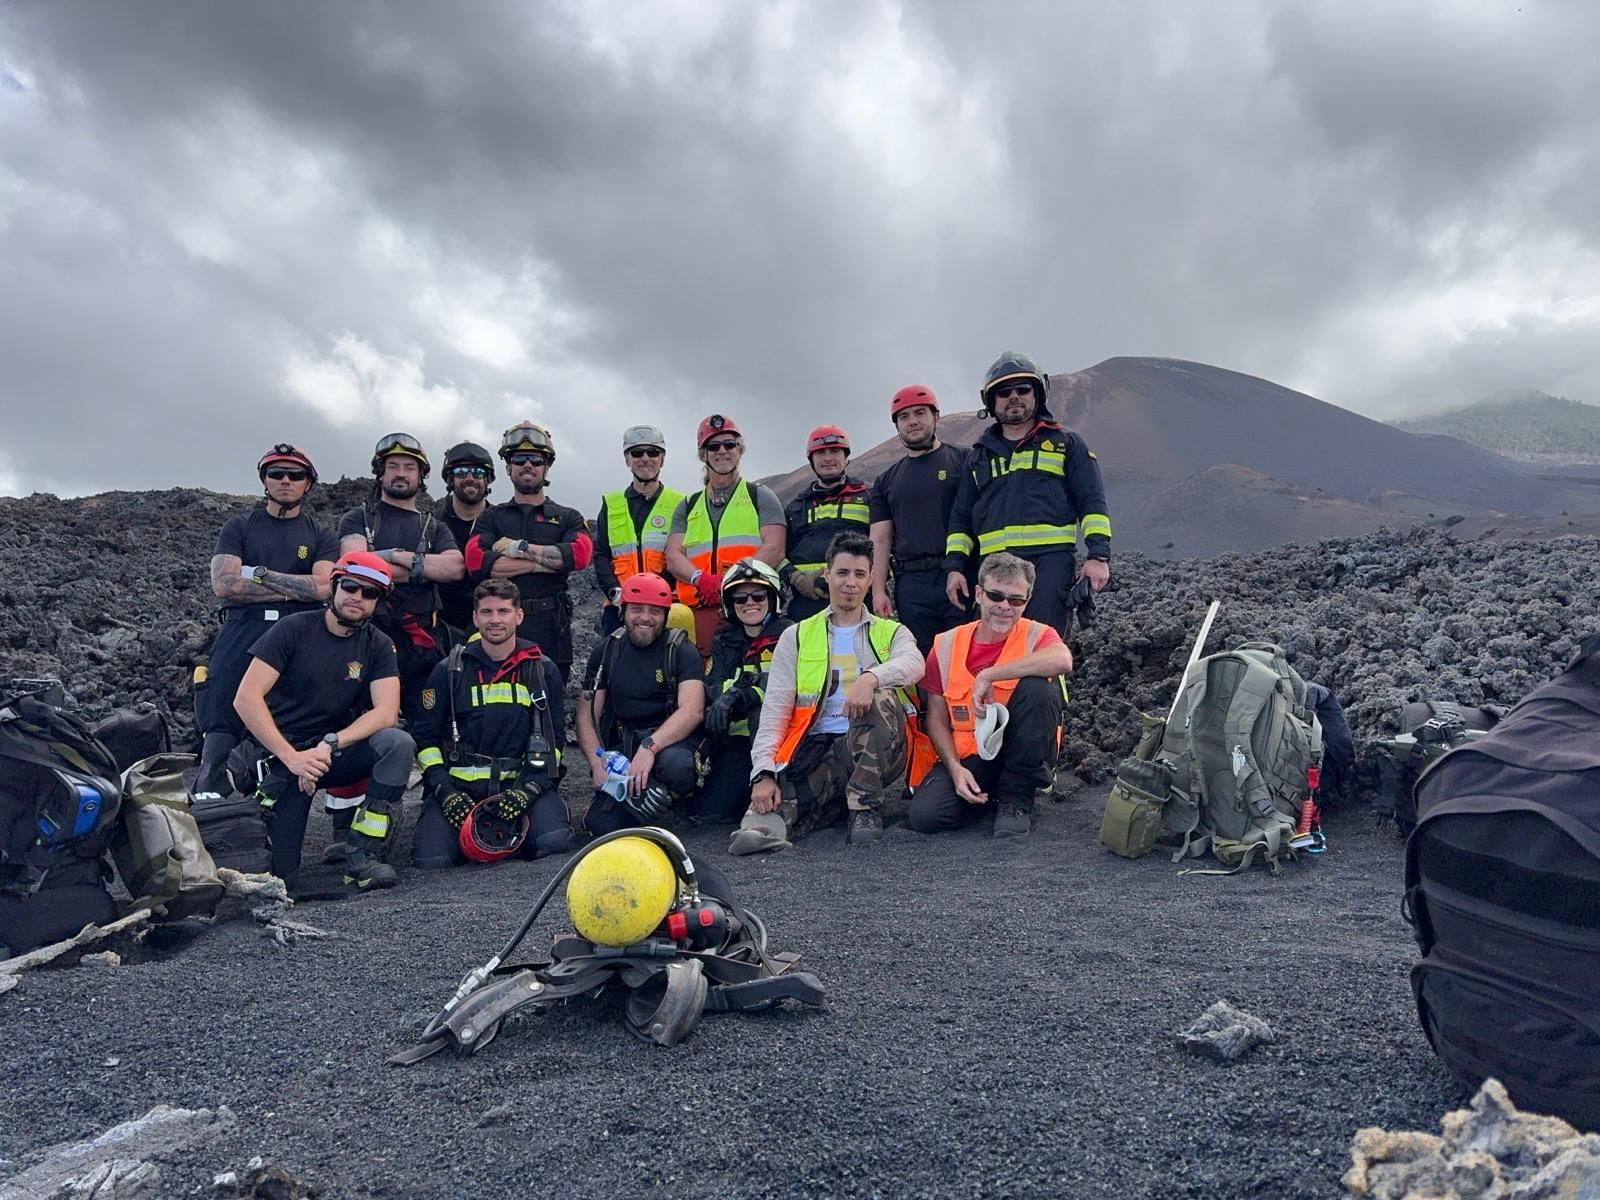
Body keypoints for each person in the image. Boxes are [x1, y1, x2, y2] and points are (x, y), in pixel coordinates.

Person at [232, 552, 416, 891]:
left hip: (327, 751)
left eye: (370, 593)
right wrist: (294, 758)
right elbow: (245, 698)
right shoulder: (292, 629)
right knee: (279, 878)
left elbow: (386, 712)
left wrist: (329, 744)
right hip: (279, 754)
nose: (357, 598)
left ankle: (363, 857)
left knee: (397, 743)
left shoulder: (378, 645)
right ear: (334, 585)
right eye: (350, 587)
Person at [729, 531, 922, 855]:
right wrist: (762, 773)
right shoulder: (797, 636)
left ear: (871, 577)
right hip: (818, 749)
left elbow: (914, 663)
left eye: (860, 574)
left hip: (879, 750)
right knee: (760, 826)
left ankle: (864, 809)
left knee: (876, 698)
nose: (850, 582)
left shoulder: (891, 631)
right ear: (827, 574)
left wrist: (870, 678)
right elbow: (775, 709)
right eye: (843, 572)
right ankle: (830, 804)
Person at [194, 444, 338, 798]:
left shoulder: (321, 534)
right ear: (264, 481)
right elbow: (224, 585)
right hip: (242, 627)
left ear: (308, 483)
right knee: (223, 709)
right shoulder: (239, 525)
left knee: (290, 712)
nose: (285, 481)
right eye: (277, 474)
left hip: (299, 632)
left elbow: (323, 588)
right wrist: (292, 586)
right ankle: (210, 794)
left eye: (295, 474)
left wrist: (257, 574)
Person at [943, 353, 1111, 637]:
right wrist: (955, 567)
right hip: (994, 567)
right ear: (991, 402)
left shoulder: (1066, 444)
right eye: (1004, 392)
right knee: (994, 650)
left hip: (1049, 565)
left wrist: (1098, 556)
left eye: (1023, 389)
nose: (1014, 397)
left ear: (1039, 393)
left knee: (1043, 645)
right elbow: (961, 519)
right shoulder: (977, 457)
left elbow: (1092, 503)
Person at [910, 552, 1073, 839]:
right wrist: (955, 770)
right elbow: (935, 717)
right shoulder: (946, 644)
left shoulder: (1038, 635)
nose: (1004, 607)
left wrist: (989, 675)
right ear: (978, 594)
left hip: (1022, 753)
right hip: (970, 757)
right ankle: (989, 797)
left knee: (1038, 688)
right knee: (926, 816)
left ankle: (1016, 801)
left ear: (1027, 601)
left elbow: (1063, 660)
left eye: (1015, 600)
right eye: (995, 596)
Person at [411, 579, 570, 868]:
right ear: (475, 617)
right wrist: (445, 792)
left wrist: (528, 790)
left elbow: (555, 744)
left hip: (519, 789)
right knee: (431, 859)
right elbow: (425, 741)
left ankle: (516, 834)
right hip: (459, 792)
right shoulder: (449, 671)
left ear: (518, 616)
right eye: (486, 612)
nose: (495, 620)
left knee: (553, 842)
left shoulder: (542, 669)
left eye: (503, 611)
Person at [337, 433, 465, 725]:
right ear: (380, 471)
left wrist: (391, 556)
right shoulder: (359, 519)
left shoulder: (433, 526)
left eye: (409, 468)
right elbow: (353, 565)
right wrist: (422, 568)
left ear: (421, 476)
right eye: (393, 466)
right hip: (366, 639)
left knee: (426, 724)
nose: (401, 474)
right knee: (363, 722)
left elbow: (455, 569)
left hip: (420, 645)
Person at [576, 573, 706, 836]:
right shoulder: (607, 651)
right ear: (623, 611)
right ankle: (644, 796)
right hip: (623, 747)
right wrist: (596, 763)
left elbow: (692, 711)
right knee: (600, 828)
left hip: (668, 743)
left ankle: (680, 802)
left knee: (677, 766)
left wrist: (650, 747)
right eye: (637, 609)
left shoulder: (680, 650)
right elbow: (586, 716)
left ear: (665, 615)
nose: (645, 618)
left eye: (655, 611)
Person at [464, 422, 591, 680]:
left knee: (549, 706)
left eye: (536, 459)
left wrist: (514, 548)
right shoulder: (491, 517)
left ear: (546, 466)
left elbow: (580, 554)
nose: (528, 465)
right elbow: (476, 561)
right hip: (499, 627)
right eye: (519, 459)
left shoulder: (567, 516)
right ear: (508, 466)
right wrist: (551, 560)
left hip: (552, 628)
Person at [664, 415, 786, 655]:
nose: (722, 451)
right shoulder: (687, 505)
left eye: (730, 444)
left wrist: (731, 580)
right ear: (703, 454)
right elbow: (673, 555)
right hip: (697, 613)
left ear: (740, 451)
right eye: (713, 446)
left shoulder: (760, 496)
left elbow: (775, 547)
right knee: (694, 679)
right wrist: (700, 578)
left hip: (747, 608)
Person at [869, 386, 971, 653]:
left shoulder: (965, 460)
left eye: (919, 413)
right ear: (897, 426)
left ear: (936, 417)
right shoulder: (886, 480)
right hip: (911, 583)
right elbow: (879, 539)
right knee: (921, 660)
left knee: (963, 654)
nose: (912, 421)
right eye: (903, 417)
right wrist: (878, 590)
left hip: (960, 573)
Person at [695, 558, 793, 824]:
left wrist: (745, 692)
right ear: (730, 605)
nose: (749, 602)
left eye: (758, 595)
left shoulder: (791, 636)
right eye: (740, 598)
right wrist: (734, 692)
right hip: (738, 741)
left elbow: (795, 684)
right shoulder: (723, 642)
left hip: (783, 743)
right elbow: (713, 687)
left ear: (773, 598)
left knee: (760, 711)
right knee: (712, 814)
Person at [592, 425, 684, 636]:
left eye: (652, 452)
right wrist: (614, 593)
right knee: (615, 664)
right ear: (627, 459)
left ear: (662, 458)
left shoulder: (680, 503)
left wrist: (659, 596)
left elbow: (683, 554)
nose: (645, 458)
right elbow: (600, 554)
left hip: (667, 607)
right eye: (637, 452)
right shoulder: (611, 504)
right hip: (619, 607)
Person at [781, 425, 873, 622]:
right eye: (821, 452)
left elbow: (885, 544)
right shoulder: (796, 507)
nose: (828, 458)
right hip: (808, 604)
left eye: (834, 451)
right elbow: (779, 555)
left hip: (860, 600)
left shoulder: (870, 496)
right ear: (811, 460)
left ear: (846, 457)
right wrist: (797, 579)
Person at [434, 441, 496, 640]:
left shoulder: (503, 524)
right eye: (461, 472)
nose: (470, 478)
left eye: (477, 473)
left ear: (488, 479)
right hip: (436, 631)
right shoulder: (429, 525)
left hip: (491, 629)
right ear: (450, 479)